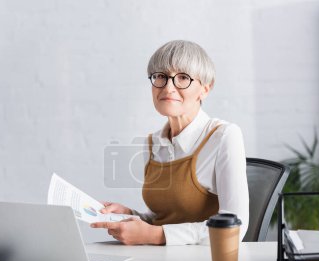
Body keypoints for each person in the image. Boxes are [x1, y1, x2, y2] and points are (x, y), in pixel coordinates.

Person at [91, 40, 249, 245]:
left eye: (182, 78)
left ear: (205, 89)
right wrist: (131, 215)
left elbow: (236, 226)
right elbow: (163, 218)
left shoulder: (224, 136)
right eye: (161, 76)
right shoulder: (152, 143)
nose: (168, 87)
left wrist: (154, 235)